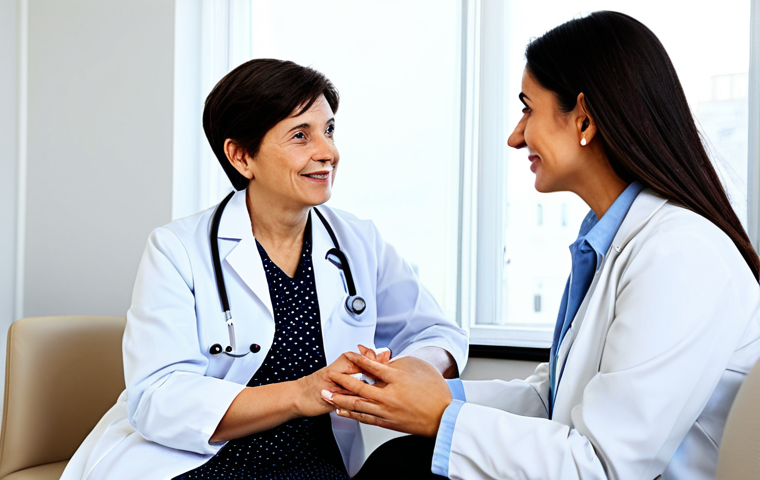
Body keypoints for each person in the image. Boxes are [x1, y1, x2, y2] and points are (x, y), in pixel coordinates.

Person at [325, 11, 760, 480]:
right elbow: (554, 397)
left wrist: (440, 416)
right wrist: (434, 393)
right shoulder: (615, 240)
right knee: (403, 462)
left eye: (528, 108)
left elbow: (603, 466)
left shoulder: (680, 255)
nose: (515, 136)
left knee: (403, 467)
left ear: (585, 118)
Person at [61, 58, 467, 480]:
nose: (327, 152)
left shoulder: (357, 241)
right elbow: (158, 399)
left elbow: (438, 334)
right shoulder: (177, 248)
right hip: (200, 459)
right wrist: (301, 393)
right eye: (300, 135)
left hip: (315, 464)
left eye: (328, 130)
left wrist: (407, 371)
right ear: (241, 156)